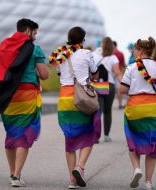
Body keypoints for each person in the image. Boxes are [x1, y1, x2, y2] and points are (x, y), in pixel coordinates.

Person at [49, 26, 101, 189]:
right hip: (82, 98)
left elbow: (59, 73)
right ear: (82, 40)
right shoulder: (86, 54)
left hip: (65, 99)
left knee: (70, 138)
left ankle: (72, 179)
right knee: (90, 134)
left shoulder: (60, 55)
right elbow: (95, 74)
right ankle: (80, 166)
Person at [0, 18, 49, 187]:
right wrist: (36, 68)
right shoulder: (35, 49)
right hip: (27, 96)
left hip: (9, 96)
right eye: (34, 33)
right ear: (28, 31)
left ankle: (13, 173)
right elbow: (44, 75)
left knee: (12, 133)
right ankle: (16, 175)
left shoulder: (6, 47)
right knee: (24, 134)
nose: (35, 37)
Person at [120, 37, 156, 190]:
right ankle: (148, 182)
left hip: (135, 108)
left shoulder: (132, 67)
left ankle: (136, 169)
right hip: (154, 109)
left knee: (133, 140)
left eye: (135, 50)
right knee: (153, 144)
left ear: (140, 50)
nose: (134, 53)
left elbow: (122, 90)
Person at [96, 37, 122, 142]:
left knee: (98, 111)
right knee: (107, 111)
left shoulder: (97, 56)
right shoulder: (113, 58)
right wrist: (124, 83)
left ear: (102, 45)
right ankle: (106, 135)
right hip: (110, 85)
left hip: (99, 85)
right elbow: (117, 72)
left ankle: (96, 136)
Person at [113, 41, 126, 109]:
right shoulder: (121, 53)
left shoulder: (110, 54)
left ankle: (106, 104)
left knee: (108, 89)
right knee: (119, 90)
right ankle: (120, 104)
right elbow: (123, 64)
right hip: (119, 73)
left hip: (111, 74)